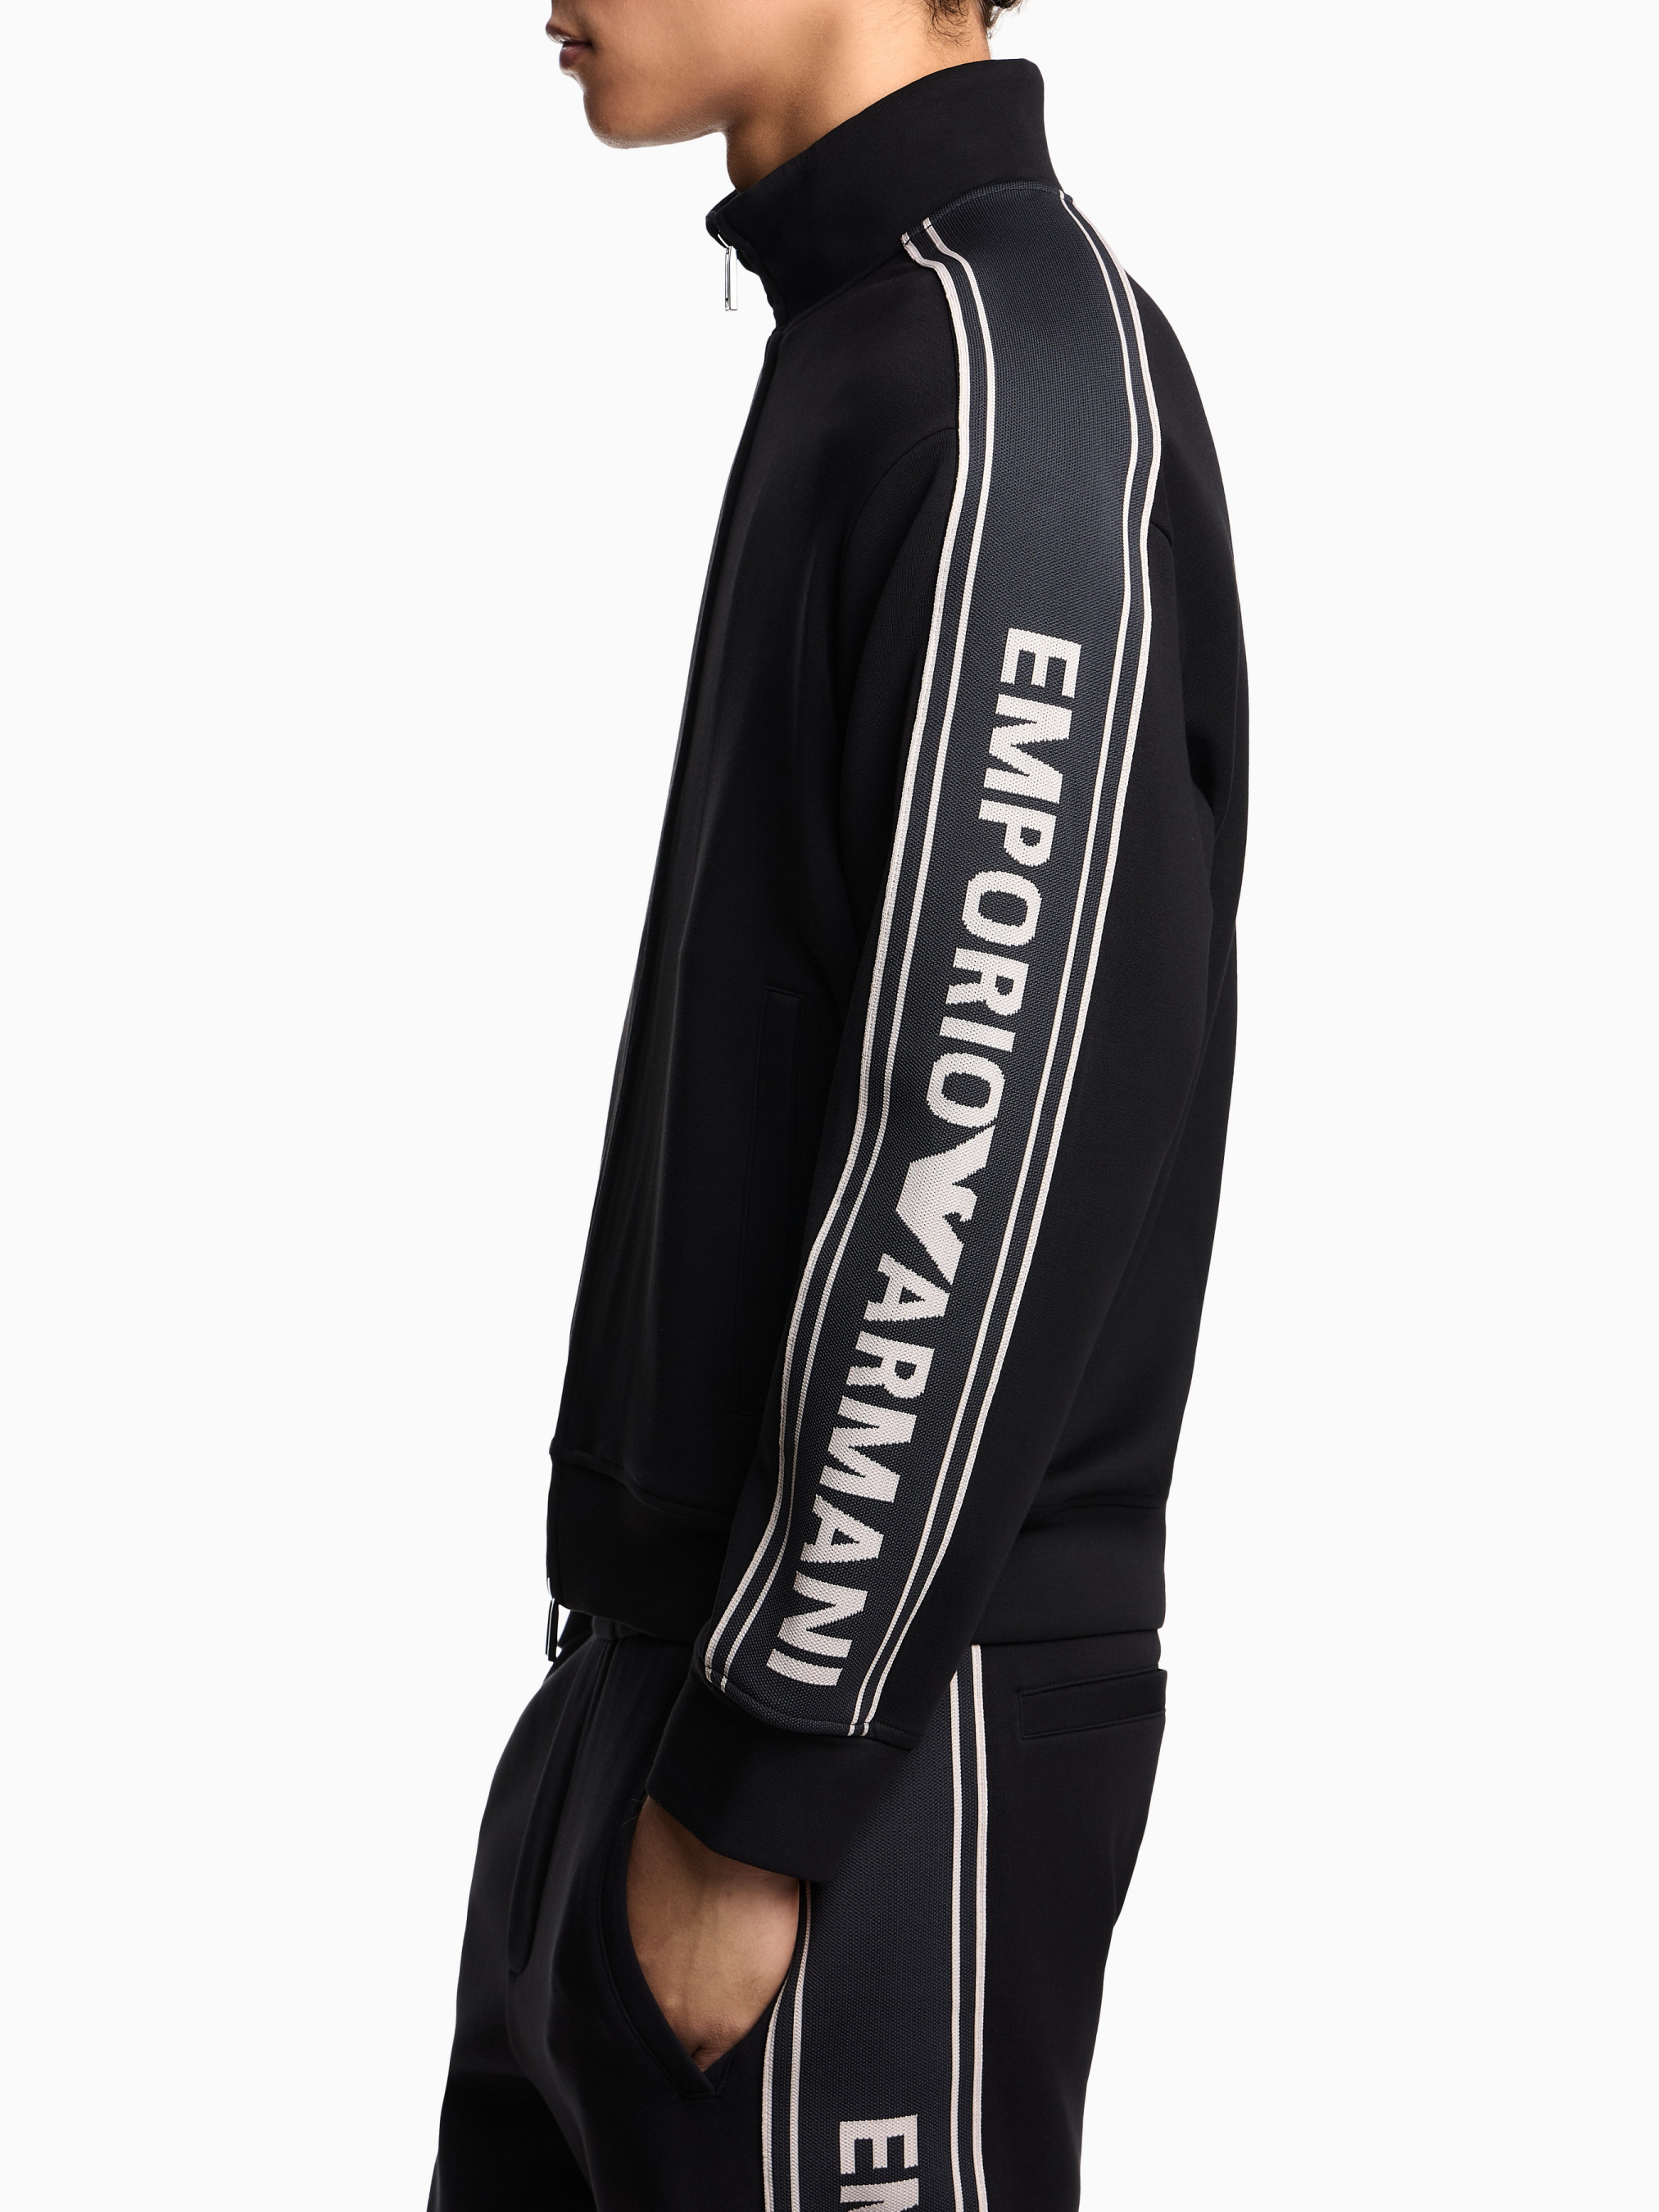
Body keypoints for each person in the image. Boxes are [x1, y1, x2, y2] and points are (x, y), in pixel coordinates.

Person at [428, 0, 1247, 2203]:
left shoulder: (1007, 388)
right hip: (676, 1699)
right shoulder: (882, 339)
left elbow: (980, 1128)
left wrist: (762, 1785)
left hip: (851, 1753)